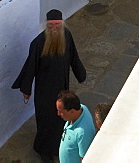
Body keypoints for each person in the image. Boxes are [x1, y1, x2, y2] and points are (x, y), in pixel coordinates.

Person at [12, 9, 87, 160]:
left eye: (57, 24)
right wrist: (26, 89)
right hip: (44, 92)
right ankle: (43, 151)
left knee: (60, 120)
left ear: (62, 23)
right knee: (46, 120)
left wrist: (80, 75)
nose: (54, 27)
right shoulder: (38, 43)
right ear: (46, 25)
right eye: (51, 24)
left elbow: (73, 57)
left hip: (62, 88)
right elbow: (30, 67)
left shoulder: (66, 36)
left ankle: (56, 148)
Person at [56, 90, 96, 163]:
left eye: (61, 112)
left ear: (72, 111)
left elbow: (85, 159)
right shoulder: (82, 108)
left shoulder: (83, 133)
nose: (58, 114)